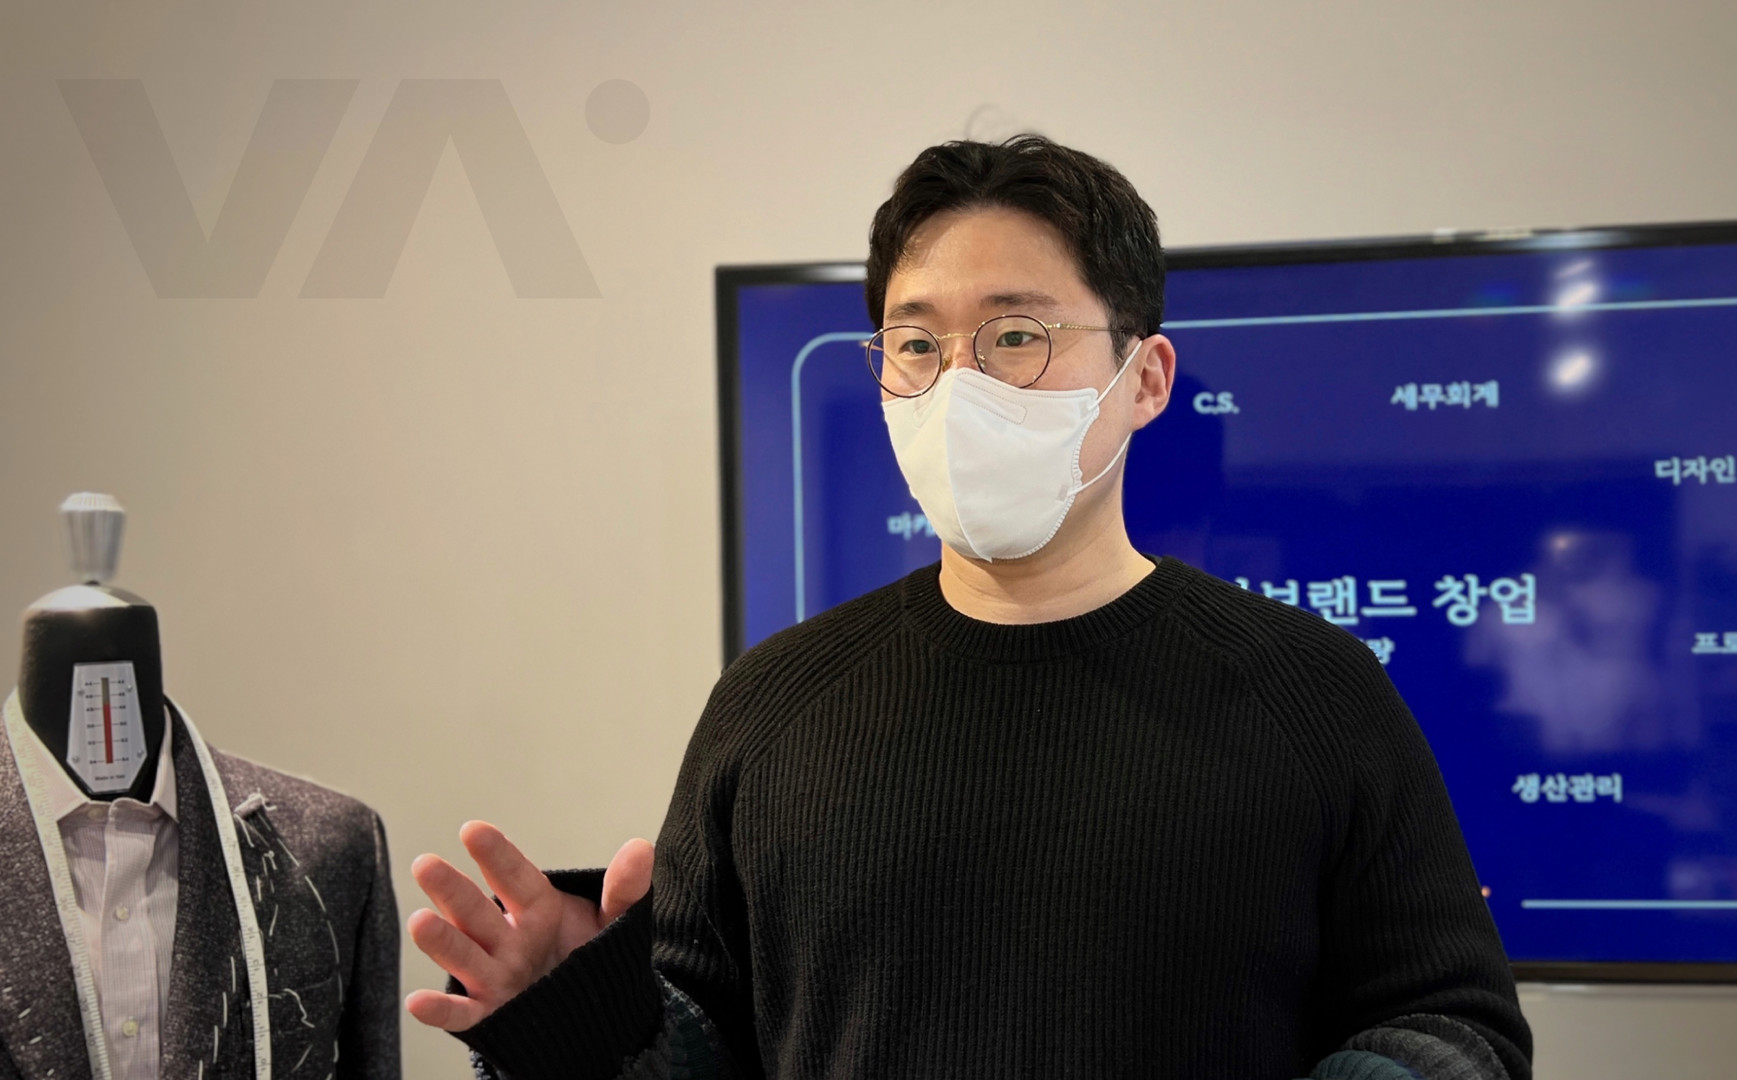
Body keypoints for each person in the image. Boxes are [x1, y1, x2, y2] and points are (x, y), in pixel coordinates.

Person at [406, 134, 1533, 1080]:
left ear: (1144, 379)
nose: (957, 384)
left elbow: (1451, 1025)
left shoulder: (1311, 689)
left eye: (1015, 336)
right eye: (915, 344)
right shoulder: (773, 701)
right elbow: (704, 1041)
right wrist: (583, 1025)